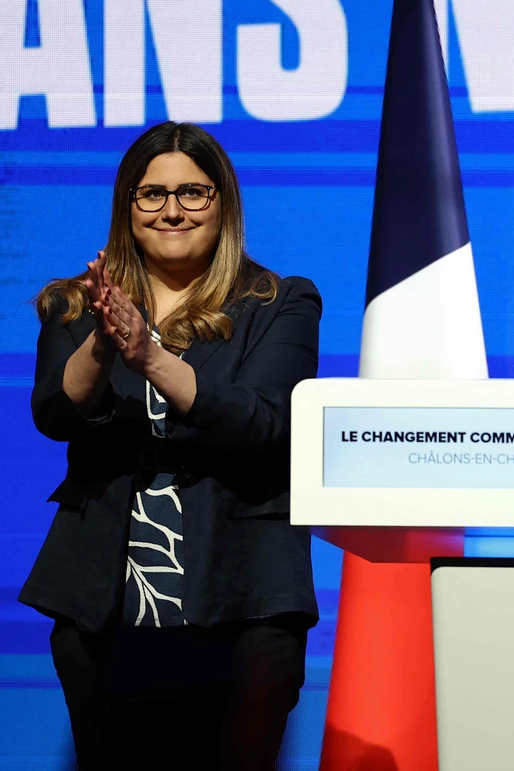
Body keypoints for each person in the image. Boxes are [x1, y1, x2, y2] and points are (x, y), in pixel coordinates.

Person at [22, 121, 321, 771]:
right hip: (105, 605)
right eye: (152, 194)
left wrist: (150, 357)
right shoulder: (74, 305)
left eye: (193, 192)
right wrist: (104, 344)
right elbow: (54, 413)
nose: (172, 210)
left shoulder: (278, 302)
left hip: (245, 600)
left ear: (223, 202)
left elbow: (266, 421)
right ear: (127, 205)